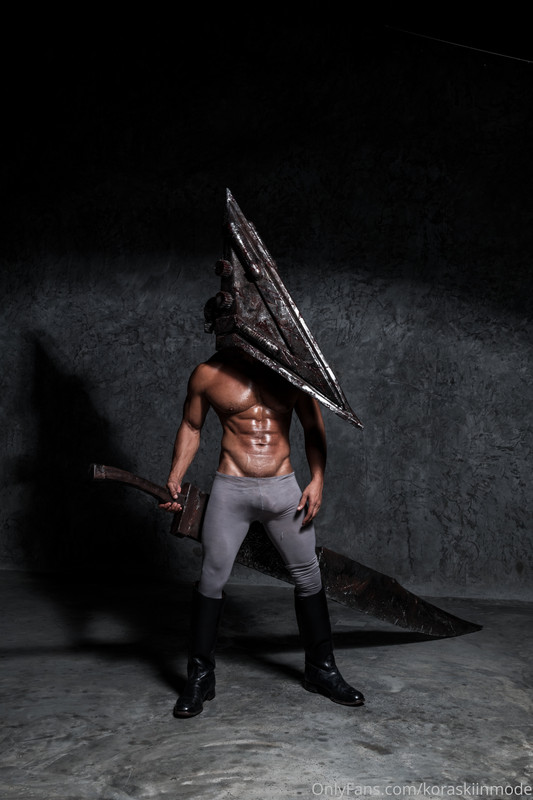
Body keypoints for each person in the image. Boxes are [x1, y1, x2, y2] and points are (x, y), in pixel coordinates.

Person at [160, 348, 364, 717]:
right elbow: (191, 426)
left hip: (283, 490)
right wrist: (175, 477)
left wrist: (317, 480)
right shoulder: (209, 373)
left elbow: (313, 427)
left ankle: (321, 670)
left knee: (308, 576)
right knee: (212, 578)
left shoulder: (293, 372)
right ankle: (200, 677)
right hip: (231, 490)